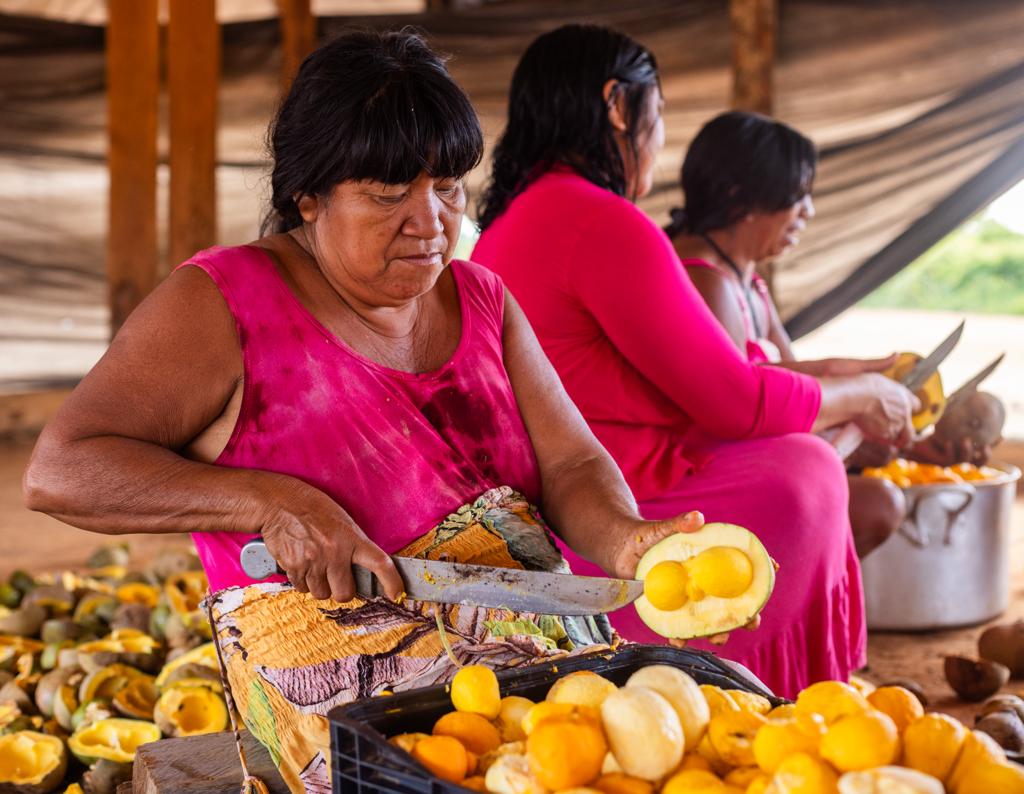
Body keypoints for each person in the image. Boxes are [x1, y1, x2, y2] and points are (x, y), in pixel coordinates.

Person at [23, 31, 706, 792]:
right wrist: (272, 501)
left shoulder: (483, 301)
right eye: (388, 195)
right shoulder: (221, 303)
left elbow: (572, 464)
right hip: (344, 712)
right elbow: (63, 468)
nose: (431, 221)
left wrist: (629, 543)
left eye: (448, 186)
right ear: (308, 195)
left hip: (535, 673)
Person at [472, 23, 918, 696]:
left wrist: (848, 384)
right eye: (659, 116)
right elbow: (736, 401)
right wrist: (862, 398)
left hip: (560, 495)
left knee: (808, 451)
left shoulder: (518, 219)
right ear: (618, 106)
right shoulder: (598, 221)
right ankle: (765, 697)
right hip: (608, 504)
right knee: (806, 468)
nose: (657, 139)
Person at [666, 111, 997, 557]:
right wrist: (853, 439)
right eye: (797, 196)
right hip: (700, 478)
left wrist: (911, 448)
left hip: (756, 455)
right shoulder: (704, 280)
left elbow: (798, 388)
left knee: (876, 495)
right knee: (876, 505)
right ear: (739, 194)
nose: (809, 211)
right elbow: (734, 419)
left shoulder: (747, 281)